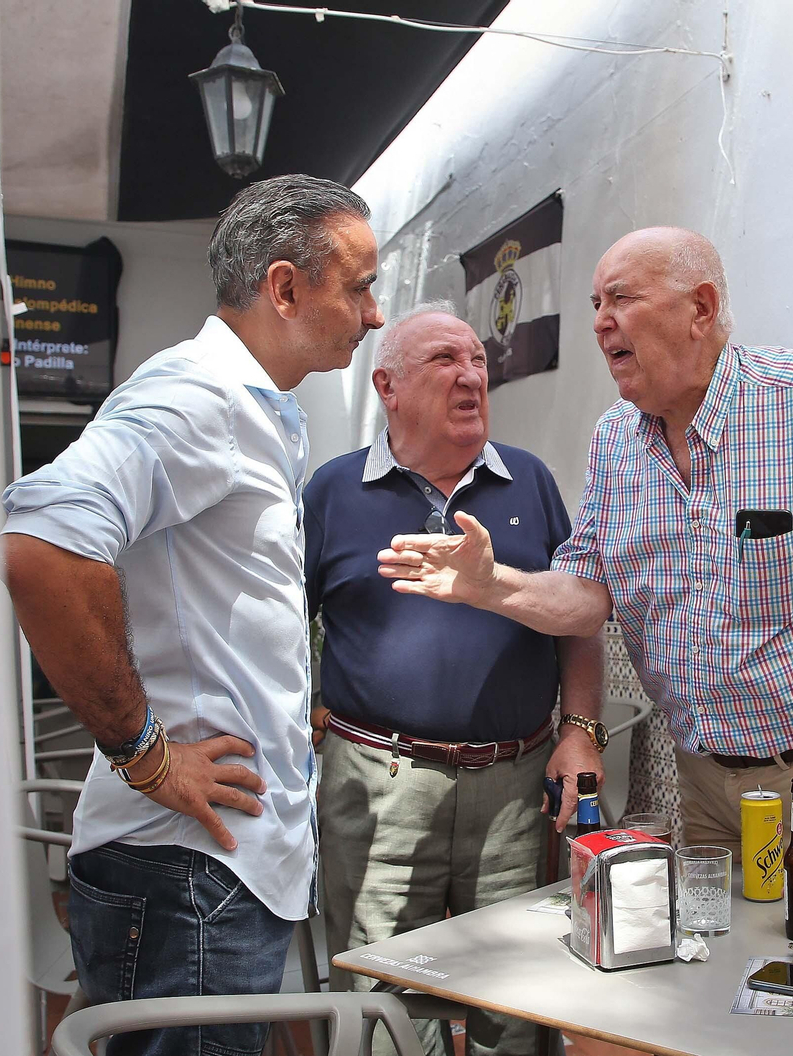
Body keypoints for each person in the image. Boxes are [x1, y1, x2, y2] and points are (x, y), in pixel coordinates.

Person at [380, 227, 793, 1055]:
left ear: (701, 308)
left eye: (621, 299)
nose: (600, 322)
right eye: (595, 302)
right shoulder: (615, 444)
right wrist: (497, 589)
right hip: (714, 794)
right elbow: (590, 593)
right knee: (729, 1013)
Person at [1, 175, 384, 1056]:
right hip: (186, 873)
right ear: (285, 288)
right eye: (359, 285)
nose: (373, 315)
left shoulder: (261, 409)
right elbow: (43, 545)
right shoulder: (197, 397)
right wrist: (144, 753)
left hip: (211, 871)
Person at [305, 302, 604, 1056]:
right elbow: (280, 624)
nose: (472, 374)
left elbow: (579, 616)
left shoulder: (528, 481)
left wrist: (582, 731)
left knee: (519, 989)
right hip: (377, 785)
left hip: (513, 784)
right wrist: (306, 712)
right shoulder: (333, 493)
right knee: (382, 997)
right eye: (445, 360)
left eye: (478, 360)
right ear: (388, 386)